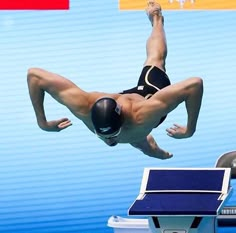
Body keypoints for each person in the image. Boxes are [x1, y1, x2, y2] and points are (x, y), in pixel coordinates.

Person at [27, 1, 203, 160]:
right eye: (103, 135)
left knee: (156, 59)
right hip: (128, 115)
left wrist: (190, 130)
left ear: (123, 122)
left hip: (146, 97)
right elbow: (34, 75)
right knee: (137, 140)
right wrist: (42, 123)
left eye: (112, 134)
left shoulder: (145, 113)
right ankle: (147, 146)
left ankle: (156, 18)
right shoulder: (83, 106)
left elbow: (194, 85)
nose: (109, 139)